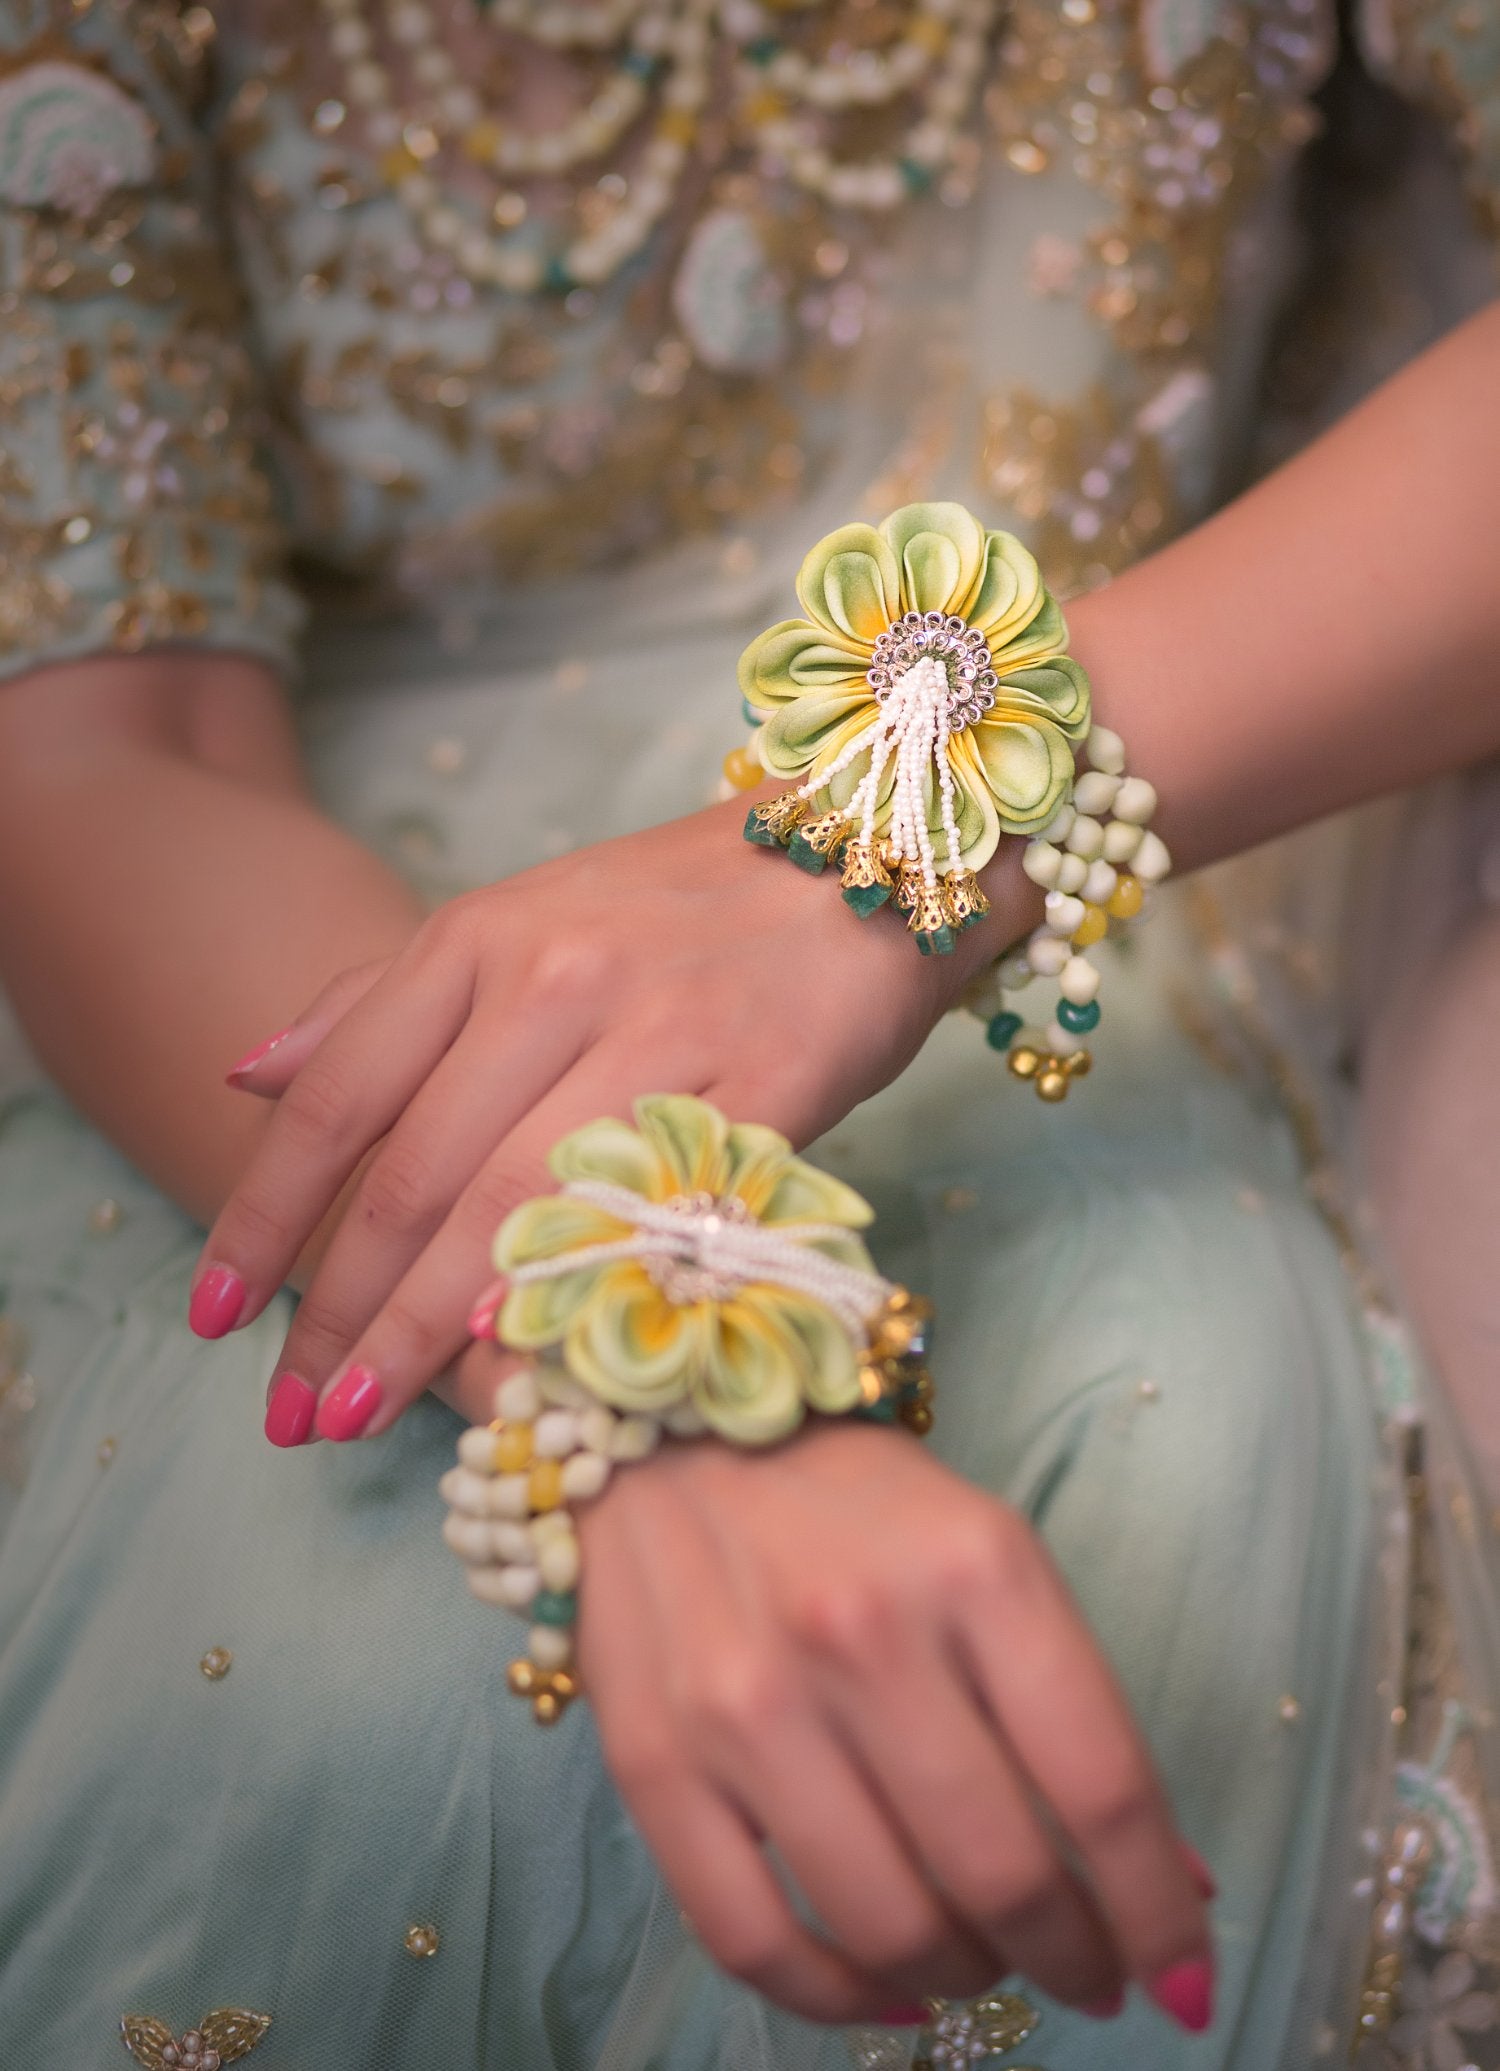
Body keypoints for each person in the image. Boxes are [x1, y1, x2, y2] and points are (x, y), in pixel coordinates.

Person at [0, 1, 1497, 2065]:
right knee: (322, 1676)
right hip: (281, 964)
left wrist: (878, 844)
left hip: (1104, 860)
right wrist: (650, 1353)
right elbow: (109, 753)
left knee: (1144, 1492)